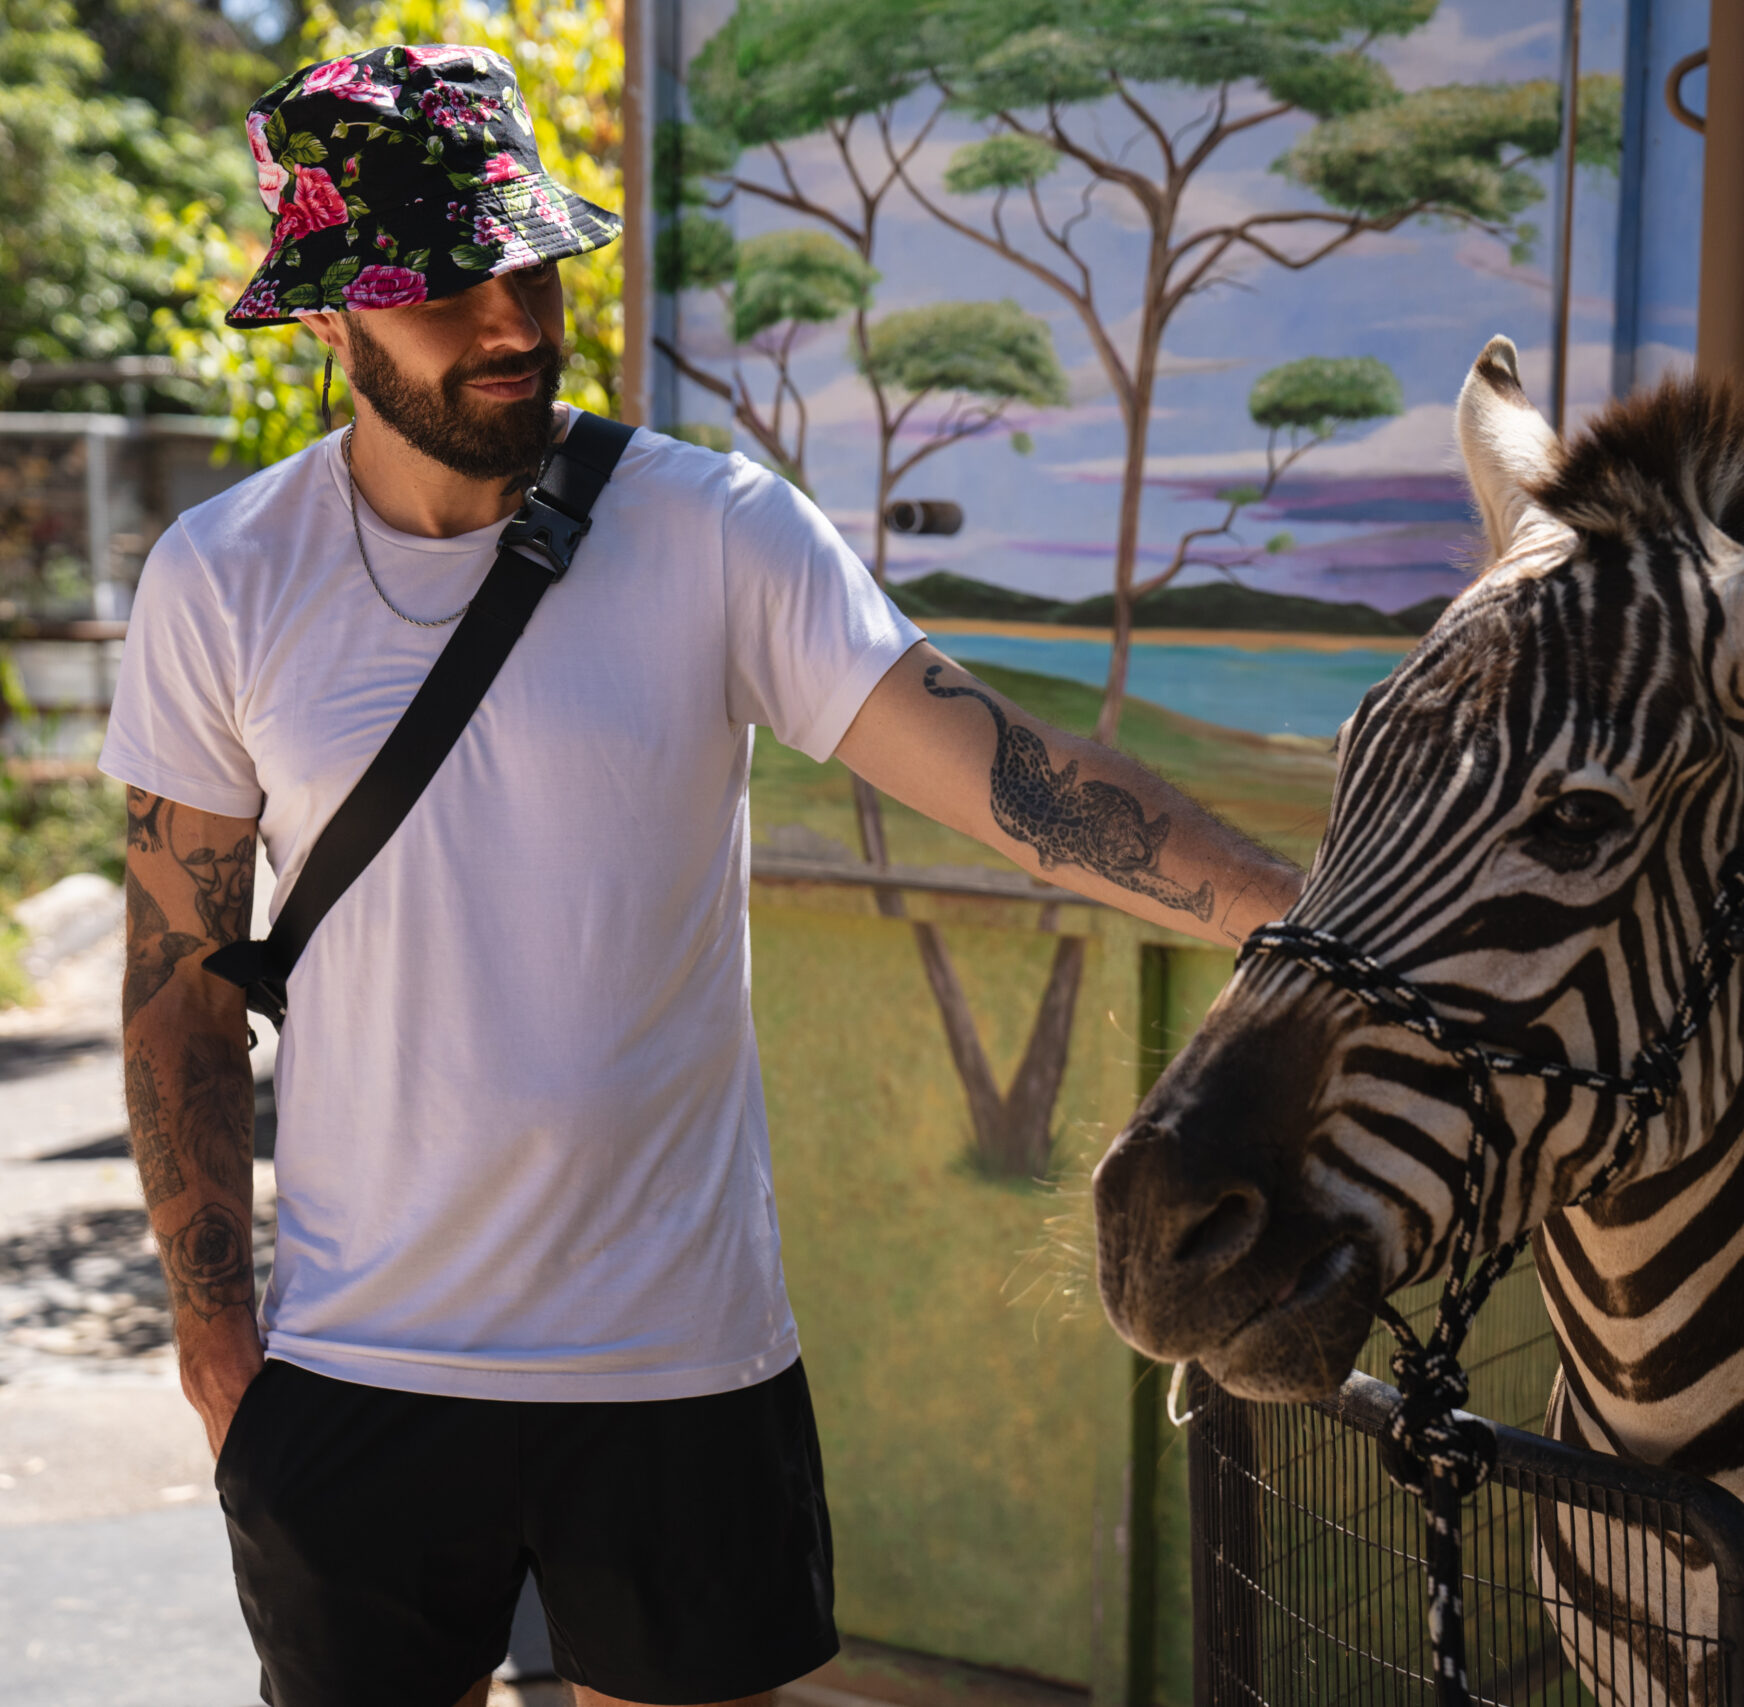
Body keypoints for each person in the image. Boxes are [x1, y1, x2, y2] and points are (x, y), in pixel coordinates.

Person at [104, 43, 1304, 1707]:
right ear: (334, 315)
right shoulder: (224, 580)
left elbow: (1013, 782)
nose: (514, 320)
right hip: (355, 1366)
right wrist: (212, 1326)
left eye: (528, 263)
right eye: (449, 288)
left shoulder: (715, 533)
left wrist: (1310, 928)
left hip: (677, 1365)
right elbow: (178, 990)